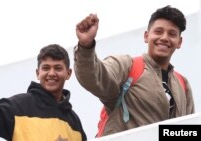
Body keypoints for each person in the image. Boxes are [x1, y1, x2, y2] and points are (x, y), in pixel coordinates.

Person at [74, 5, 195, 137]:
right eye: (158, 31)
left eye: (172, 34)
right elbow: (94, 76)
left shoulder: (183, 83)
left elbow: (188, 129)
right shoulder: (128, 66)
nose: (165, 37)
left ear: (179, 42)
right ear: (146, 36)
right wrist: (85, 47)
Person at [0, 44, 87, 141]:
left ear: (68, 73)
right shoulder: (19, 107)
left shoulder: (74, 122)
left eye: (58, 68)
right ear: (37, 73)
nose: (51, 73)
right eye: (46, 68)